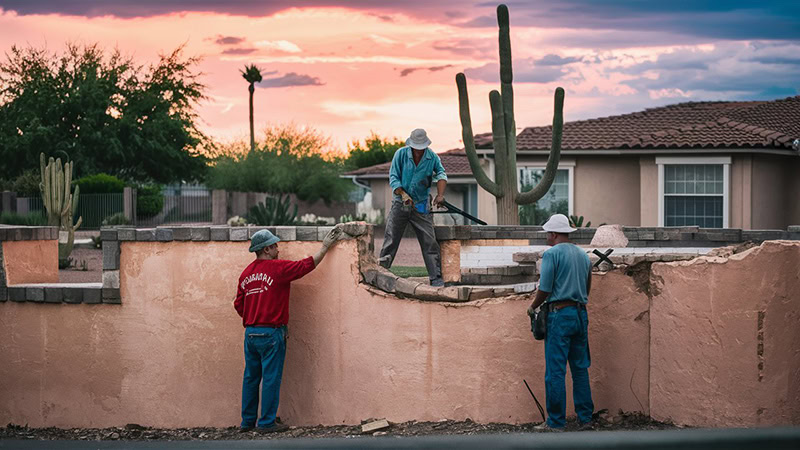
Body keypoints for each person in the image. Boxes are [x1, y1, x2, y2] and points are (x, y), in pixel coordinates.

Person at [234, 226, 342, 433]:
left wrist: (253, 317)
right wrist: (325, 247)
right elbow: (306, 266)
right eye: (274, 246)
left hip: (251, 333)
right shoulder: (278, 269)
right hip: (271, 333)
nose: (278, 249)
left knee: (251, 377)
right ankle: (266, 423)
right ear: (266, 249)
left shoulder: (246, 274)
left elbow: (239, 304)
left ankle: (247, 422)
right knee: (271, 377)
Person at [526, 214, 594, 431]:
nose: (547, 237)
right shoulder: (583, 256)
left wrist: (533, 306)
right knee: (580, 369)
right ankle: (586, 418)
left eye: (548, 233)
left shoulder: (551, 254)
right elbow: (587, 285)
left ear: (554, 234)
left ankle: (555, 422)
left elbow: (544, 288)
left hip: (560, 315)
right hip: (580, 314)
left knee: (555, 371)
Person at [379, 128, 447, 286]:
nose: (418, 151)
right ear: (410, 145)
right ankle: (381, 272)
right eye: (416, 148)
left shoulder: (432, 157)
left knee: (429, 240)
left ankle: (436, 278)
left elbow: (442, 174)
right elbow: (394, 177)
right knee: (391, 238)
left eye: (421, 148)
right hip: (400, 202)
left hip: (422, 203)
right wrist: (403, 194)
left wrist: (440, 195)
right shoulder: (401, 154)